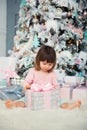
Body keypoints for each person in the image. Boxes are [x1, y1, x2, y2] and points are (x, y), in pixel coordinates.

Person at [5, 45, 81, 110]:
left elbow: (56, 86)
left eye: (50, 64)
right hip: (34, 97)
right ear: (38, 61)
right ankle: (14, 105)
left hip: (49, 97)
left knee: (60, 102)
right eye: (44, 64)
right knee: (23, 102)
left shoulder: (52, 74)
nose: (47, 66)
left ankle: (69, 106)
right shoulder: (33, 71)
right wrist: (27, 86)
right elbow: (26, 82)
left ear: (53, 64)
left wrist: (53, 90)